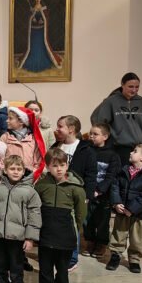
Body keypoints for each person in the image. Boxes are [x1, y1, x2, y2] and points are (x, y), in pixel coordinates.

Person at [34, 148, 87, 283]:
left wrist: (74, 229)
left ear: (67, 166)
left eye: (62, 165)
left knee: (63, 267)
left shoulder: (76, 188)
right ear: (47, 167)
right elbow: (35, 208)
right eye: (55, 166)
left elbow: (80, 214)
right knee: (45, 267)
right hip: (46, 232)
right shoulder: (41, 185)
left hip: (65, 233)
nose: (59, 169)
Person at [0, 155, 41, 283]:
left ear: (24, 171)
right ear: (5, 170)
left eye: (19, 169)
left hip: (18, 238)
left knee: (16, 268)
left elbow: (35, 215)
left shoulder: (30, 192)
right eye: (12, 168)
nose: (16, 171)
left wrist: (30, 238)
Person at [52, 114, 97, 271]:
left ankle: (72, 258)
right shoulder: (56, 147)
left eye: (60, 126)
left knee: (72, 226)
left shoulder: (86, 149)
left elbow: (91, 174)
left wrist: (87, 196)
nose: (57, 129)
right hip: (56, 192)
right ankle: (58, 255)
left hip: (75, 193)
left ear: (71, 129)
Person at [106, 144, 142, 274]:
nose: (130, 153)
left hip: (139, 214)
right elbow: (115, 187)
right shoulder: (123, 171)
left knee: (137, 238)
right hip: (122, 211)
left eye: (135, 151)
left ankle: (134, 259)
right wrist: (116, 202)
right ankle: (115, 255)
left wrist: (132, 209)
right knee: (118, 234)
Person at [90, 72, 142, 166]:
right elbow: (97, 120)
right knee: (123, 174)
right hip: (120, 149)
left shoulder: (141, 102)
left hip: (140, 149)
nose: (134, 90)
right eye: (130, 86)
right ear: (122, 85)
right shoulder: (111, 101)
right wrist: (110, 139)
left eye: (137, 87)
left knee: (141, 175)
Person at [85, 123, 121, 258]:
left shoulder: (112, 155)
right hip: (88, 192)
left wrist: (99, 190)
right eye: (90, 133)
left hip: (104, 195)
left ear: (105, 136)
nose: (91, 136)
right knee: (87, 219)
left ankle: (101, 243)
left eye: (95, 134)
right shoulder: (87, 151)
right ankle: (90, 241)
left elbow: (112, 176)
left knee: (102, 221)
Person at [0, 106, 46, 181]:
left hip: (28, 180)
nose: (7, 121)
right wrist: (6, 173)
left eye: (10, 118)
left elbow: (38, 162)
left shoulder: (33, 139)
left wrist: (31, 176)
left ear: (21, 121)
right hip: (8, 180)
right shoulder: (5, 138)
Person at [19, 0, 61, 73]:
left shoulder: (43, 8)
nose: (38, 0)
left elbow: (46, 18)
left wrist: (43, 20)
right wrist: (32, 18)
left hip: (41, 32)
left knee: (41, 46)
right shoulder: (33, 8)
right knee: (33, 46)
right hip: (34, 31)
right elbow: (29, 18)